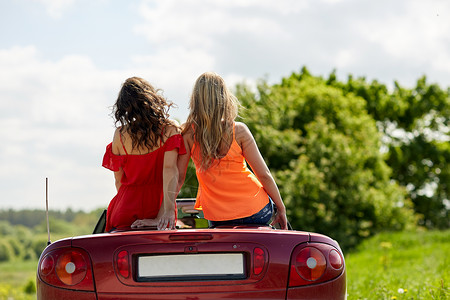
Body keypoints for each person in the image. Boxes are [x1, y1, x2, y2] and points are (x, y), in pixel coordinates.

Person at [177, 72, 288, 229]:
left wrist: (166, 211)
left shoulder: (188, 134)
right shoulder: (239, 130)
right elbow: (264, 175)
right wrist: (281, 208)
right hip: (256, 210)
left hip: (218, 217)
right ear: (224, 98)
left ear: (195, 100)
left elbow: (178, 177)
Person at [102, 77, 186, 232]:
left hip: (124, 209)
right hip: (158, 207)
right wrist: (166, 211)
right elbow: (170, 170)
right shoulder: (169, 130)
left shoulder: (120, 134)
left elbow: (118, 181)